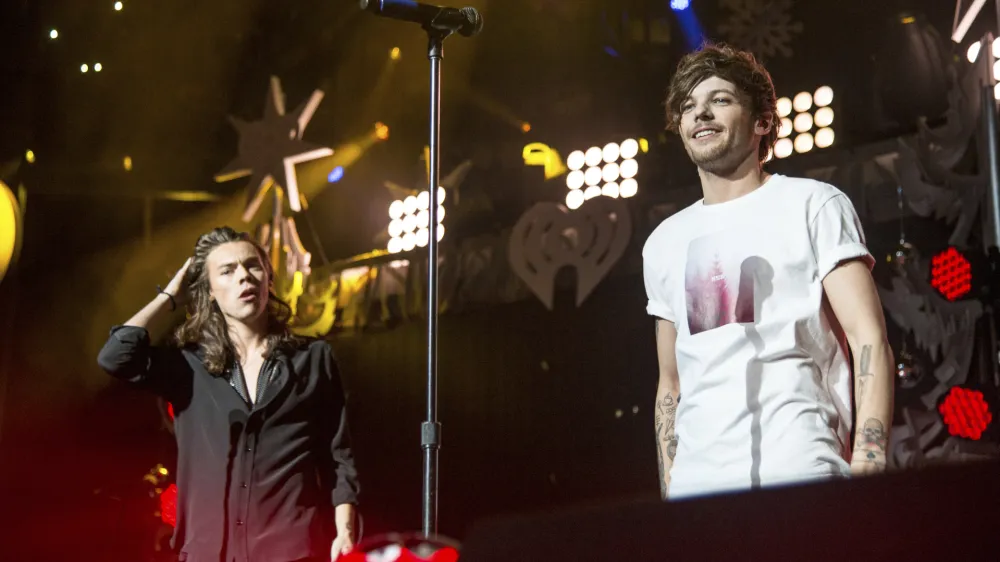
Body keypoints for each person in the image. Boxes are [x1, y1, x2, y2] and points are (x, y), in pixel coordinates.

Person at [643, 44, 894, 500]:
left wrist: (869, 465)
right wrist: (670, 489)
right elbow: (670, 384)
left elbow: (868, 339)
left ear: (762, 122)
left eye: (719, 100)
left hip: (801, 469)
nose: (700, 113)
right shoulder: (663, 242)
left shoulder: (813, 204)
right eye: (688, 107)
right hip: (697, 495)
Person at [98, 226, 359, 562]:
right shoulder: (188, 365)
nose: (244, 277)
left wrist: (346, 531)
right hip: (209, 552)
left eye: (253, 266)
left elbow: (338, 457)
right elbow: (115, 357)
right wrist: (171, 297)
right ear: (209, 291)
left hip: (291, 550)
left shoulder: (312, 359)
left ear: (268, 278)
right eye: (228, 270)